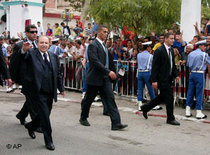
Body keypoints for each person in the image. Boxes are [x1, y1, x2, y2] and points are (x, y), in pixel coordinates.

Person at [18, 36, 64, 150]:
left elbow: (58, 74)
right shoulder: (32, 54)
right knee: (45, 117)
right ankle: (49, 141)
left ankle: (30, 126)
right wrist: (24, 50)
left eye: (46, 43)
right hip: (37, 91)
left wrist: (61, 88)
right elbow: (23, 57)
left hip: (50, 91)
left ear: (49, 44)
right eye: (41, 43)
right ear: (37, 44)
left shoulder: (53, 56)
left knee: (45, 114)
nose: (44, 45)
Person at [79, 25, 128, 130]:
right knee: (88, 100)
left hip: (105, 79)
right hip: (95, 78)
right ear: (99, 32)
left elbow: (108, 61)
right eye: (105, 32)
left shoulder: (104, 46)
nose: (106, 34)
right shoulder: (93, 45)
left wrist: (114, 73)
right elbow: (95, 61)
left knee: (110, 99)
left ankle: (116, 123)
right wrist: (108, 72)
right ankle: (83, 117)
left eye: (107, 32)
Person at [141, 33, 180, 126]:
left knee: (162, 97)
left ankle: (146, 107)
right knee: (170, 98)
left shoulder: (171, 50)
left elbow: (172, 65)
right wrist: (154, 80)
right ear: (166, 39)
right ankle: (170, 118)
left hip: (168, 78)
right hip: (161, 79)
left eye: (173, 38)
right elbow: (155, 66)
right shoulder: (159, 50)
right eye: (171, 38)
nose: (173, 40)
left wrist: (176, 75)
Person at [9, 24, 38, 125]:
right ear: (27, 33)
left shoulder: (38, 44)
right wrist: (12, 78)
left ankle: (21, 115)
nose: (34, 34)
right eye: (32, 32)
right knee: (32, 100)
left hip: (36, 77)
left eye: (36, 32)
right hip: (25, 78)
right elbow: (14, 62)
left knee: (32, 99)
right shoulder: (20, 45)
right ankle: (35, 124)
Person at [185, 40, 210, 119]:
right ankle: (198, 111)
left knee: (190, 92)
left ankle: (187, 110)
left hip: (192, 73)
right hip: (200, 74)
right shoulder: (204, 54)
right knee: (199, 93)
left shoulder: (191, 54)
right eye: (204, 46)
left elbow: (188, 65)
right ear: (200, 46)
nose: (205, 47)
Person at [137, 41, 161, 111]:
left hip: (140, 72)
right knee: (150, 88)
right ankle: (153, 104)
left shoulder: (139, 55)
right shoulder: (151, 56)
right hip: (147, 72)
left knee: (140, 88)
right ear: (148, 48)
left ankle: (140, 103)